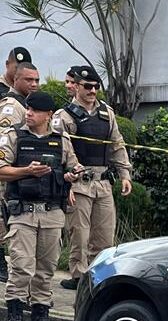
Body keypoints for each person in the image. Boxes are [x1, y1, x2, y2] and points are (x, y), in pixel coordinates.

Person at [0, 91, 83, 321]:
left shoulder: (61, 140)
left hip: (52, 213)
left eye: (34, 110)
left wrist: (74, 175)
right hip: (23, 212)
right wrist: (26, 171)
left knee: (45, 269)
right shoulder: (14, 136)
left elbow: (73, 166)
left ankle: (40, 319)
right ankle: (15, 316)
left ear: (48, 115)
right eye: (28, 109)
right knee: (22, 266)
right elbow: (1, 170)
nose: (29, 113)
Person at [52, 65, 132, 290]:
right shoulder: (64, 115)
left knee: (105, 234)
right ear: (76, 86)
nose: (93, 91)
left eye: (96, 86)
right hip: (79, 182)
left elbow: (117, 144)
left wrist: (125, 174)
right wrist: (68, 179)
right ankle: (79, 277)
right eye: (87, 86)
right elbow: (63, 150)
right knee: (79, 234)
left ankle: (101, 276)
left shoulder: (107, 113)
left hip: (104, 183)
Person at [0, 61, 40, 282]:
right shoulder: (12, 106)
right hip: (11, 175)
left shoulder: (30, 105)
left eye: (36, 80)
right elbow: (6, 144)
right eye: (28, 80)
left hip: (28, 177)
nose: (34, 84)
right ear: (15, 79)